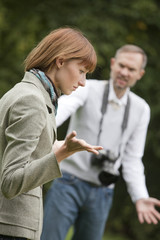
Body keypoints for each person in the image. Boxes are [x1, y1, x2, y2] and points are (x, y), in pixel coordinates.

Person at [41, 44, 160, 240]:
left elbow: (132, 159)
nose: (124, 72)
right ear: (113, 64)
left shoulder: (141, 109)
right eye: (121, 65)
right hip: (68, 182)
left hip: (103, 192)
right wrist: (40, 125)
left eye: (131, 69)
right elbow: (60, 111)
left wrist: (140, 196)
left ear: (140, 74)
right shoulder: (87, 89)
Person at [0, 27, 103, 240]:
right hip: (10, 229)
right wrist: (60, 154)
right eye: (82, 70)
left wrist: (52, 151)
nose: (83, 82)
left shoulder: (26, 93)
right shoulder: (32, 101)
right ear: (61, 61)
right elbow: (10, 182)